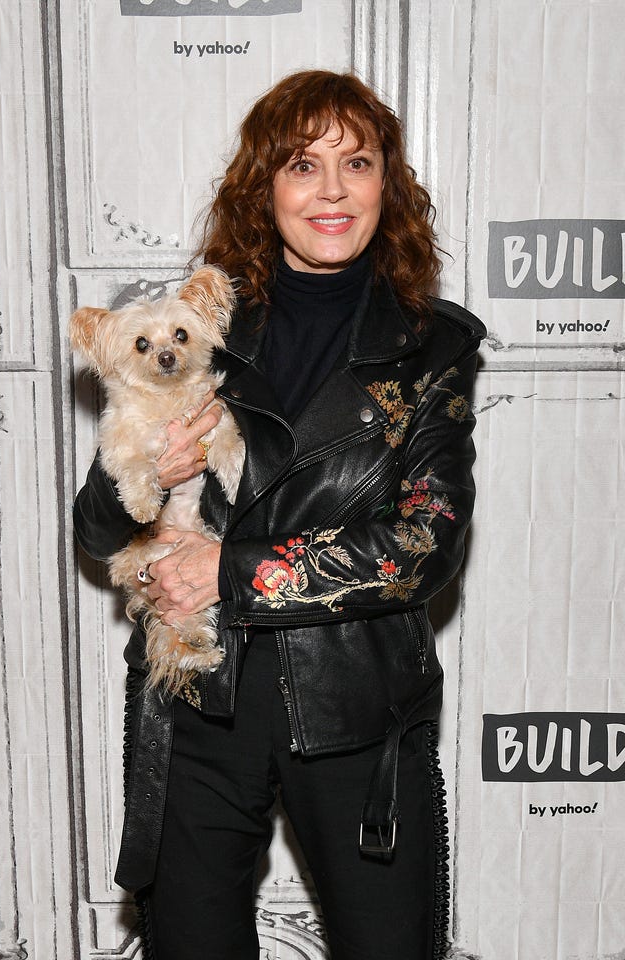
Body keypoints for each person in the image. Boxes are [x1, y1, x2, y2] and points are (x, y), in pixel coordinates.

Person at [74, 70, 485, 960]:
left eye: (357, 161)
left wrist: (227, 566)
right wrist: (131, 485)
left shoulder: (433, 346)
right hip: (200, 702)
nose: (331, 188)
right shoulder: (203, 326)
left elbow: (423, 545)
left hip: (355, 710)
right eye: (303, 164)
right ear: (266, 187)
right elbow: (96, 531)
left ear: (389, 183)